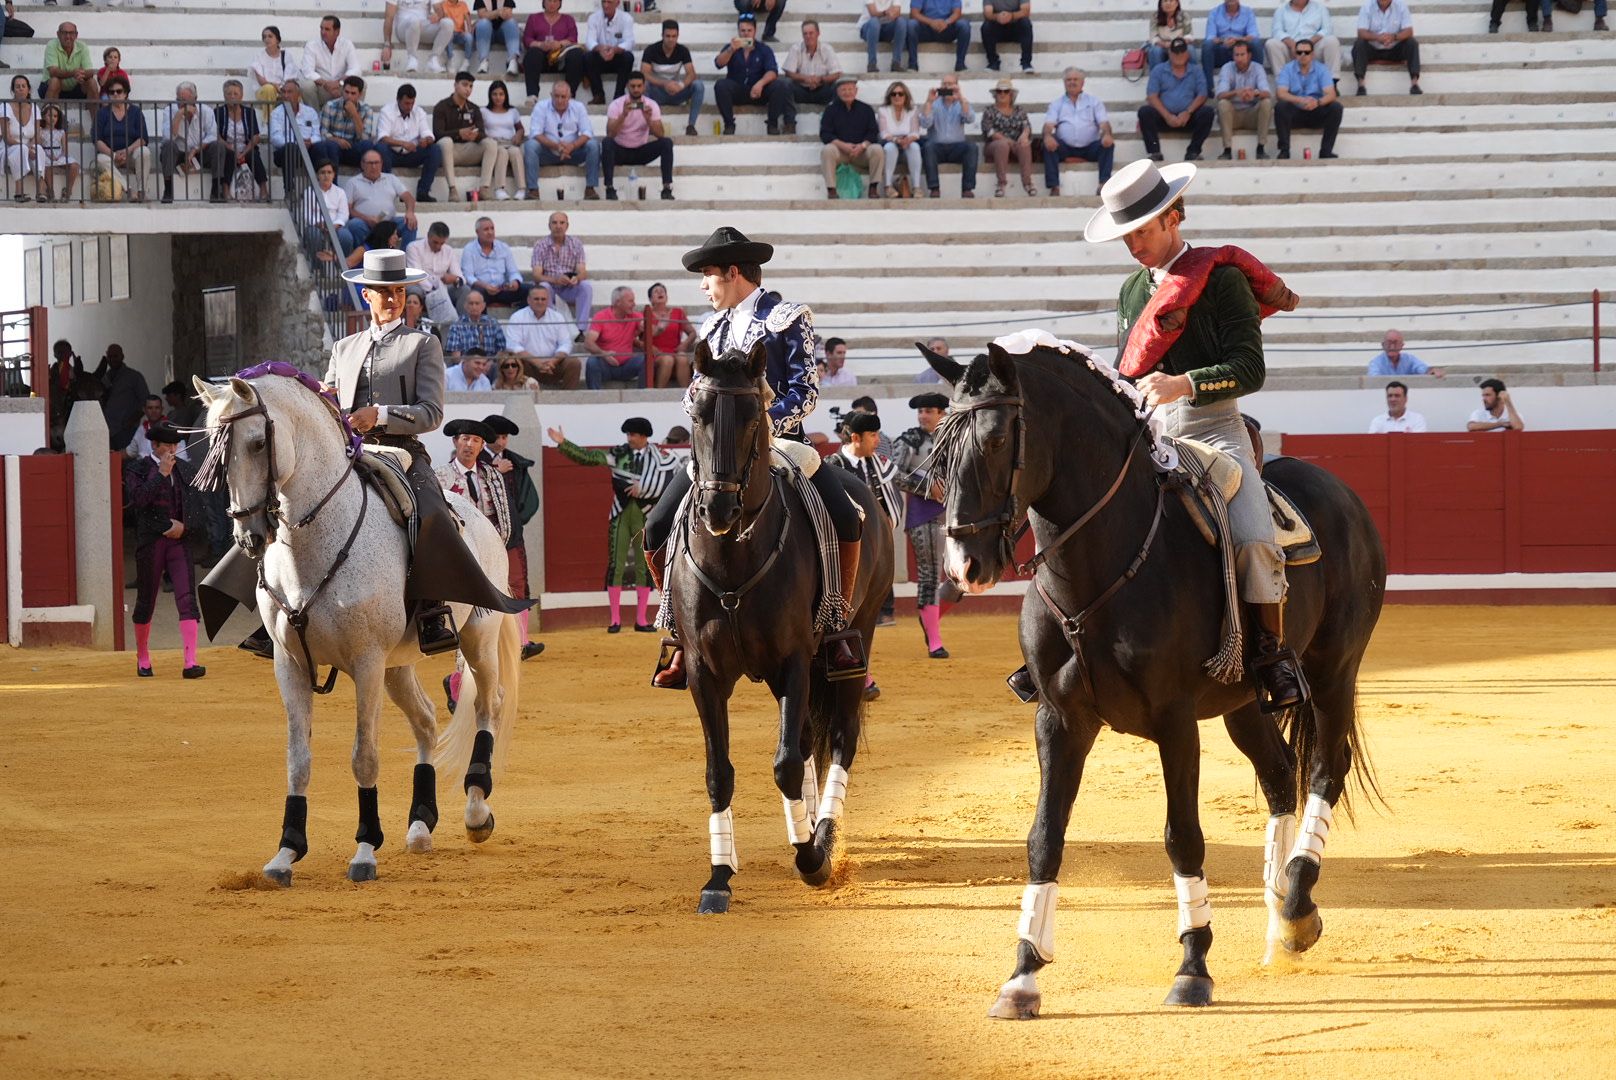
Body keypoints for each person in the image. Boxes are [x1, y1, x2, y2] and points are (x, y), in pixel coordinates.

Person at [200, 248, 529, 660]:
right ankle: (274, 610)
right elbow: (329, 402)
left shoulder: (422, 344)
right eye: (381, 291)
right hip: (347, 453)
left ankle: (432, 609)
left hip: (403, 453)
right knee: (285, 504)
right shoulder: (345, 347)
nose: (391, 299)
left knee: (429, 513)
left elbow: (432, 413)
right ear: (366, 295)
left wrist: (382, 415)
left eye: (397, 291)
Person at [1076, 157, 1305, 711]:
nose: (1134, 245)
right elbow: (1127, 368)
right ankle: (1070, 643)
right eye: (1126, 235)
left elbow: (1250, 369)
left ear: (1174, 217)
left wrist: (1185, 383)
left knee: (1253, 536)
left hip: (1215, 429)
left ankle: (1271, 655)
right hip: (1149, 435)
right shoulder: (1133, 291)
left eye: (1143, 231)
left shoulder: (1223, 280)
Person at [642, 226, 873, 687]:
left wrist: (761, 429)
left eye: (708, 275)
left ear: (732, 273)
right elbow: (693, 394)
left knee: (846, 517)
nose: (702, 286)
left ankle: (836, 629)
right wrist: (703, 411)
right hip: (717, 455)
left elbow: (805, 392)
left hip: (783, 444)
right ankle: (680, 629)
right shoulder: (711, 327)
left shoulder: (787, 317)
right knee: (654, 527)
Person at [549, 417, 680, 631]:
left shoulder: (660, 457)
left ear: (644, 436)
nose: (629, 438)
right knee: (616, 564)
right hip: (620, 513)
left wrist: (644, 487)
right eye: (628, 434)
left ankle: (641, 619)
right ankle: (615, 619)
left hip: (645, 514)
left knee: (643, 565)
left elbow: (666, 479)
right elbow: (590, 458)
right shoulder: (619, 454)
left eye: (633, 435)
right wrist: (564, 443)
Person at [825, 408, 902, 698]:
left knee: (866, 613)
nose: (877, 440)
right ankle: (860, 674)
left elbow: (903, 482)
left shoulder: (878, 464)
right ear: (855, 438)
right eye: (872, 435)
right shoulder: (833, 464)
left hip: (875, 551)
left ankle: (861, 672)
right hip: (847, 550)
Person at [125, 424, 206, 680]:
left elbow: (198, 507)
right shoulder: (136, 469)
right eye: (167, 445)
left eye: (174, 445)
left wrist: (185, 527)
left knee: (186, 597)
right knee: (147, 599)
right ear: (154, 446)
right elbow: (137, 503)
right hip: (151, 542)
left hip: (179, 542)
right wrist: (160, 474)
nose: (172, 450)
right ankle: (143, 658)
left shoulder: (186, 470)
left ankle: (190, 661)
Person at [892, 392, 961, 659]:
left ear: (942, 413)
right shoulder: (909, 439)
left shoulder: (956, 437)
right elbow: (893, 474)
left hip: (956, 514)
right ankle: (934, 638)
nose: (923, 416)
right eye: (921, 411)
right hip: (924, 514)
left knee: (963, 575)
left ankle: (930, 617)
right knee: (930, 574)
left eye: (929, 411)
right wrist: (926, 487)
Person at [479, 414, 545, 660]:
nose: (503, 441)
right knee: (486, 586)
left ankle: (522, 642)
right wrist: (495, 471)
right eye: (499, 436)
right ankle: (489, 642)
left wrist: (516, 521)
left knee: (518, 584)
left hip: (512, 534)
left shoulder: (513, 462)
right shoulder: (479, 459)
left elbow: (527, 499)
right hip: (484, 534)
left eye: (506, 437)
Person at [522, 79, 602, 199]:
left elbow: (587, 132)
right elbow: (536, 133)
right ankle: (533, 190)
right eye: (556, 96)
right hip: (548, 152)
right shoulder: (541, 106)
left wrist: (572, 146)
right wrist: (556, 146)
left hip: (573, 152)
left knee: (594, 145)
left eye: (563, 97)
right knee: (530, 145)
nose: (559, 100)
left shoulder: (578, 107)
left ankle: (590, 189)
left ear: (570, 96)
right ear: (551, 95)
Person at [1041, 67, 1114, 196]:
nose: (1072, 82)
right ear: (1064, 83)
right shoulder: (1057, 104)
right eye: (1068, 79)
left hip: (1090, 147)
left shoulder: (1094, 102)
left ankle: (1104, 184)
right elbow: (1048, 125)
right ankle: (1054, 187)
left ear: (1083, 83)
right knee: (1047, 144)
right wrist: (1047, 136)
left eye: (1075, 79)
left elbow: (1104, 123)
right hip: (1065, 147)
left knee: (1108, 144)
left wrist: (1107, 134)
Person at [1139, 37, 1213, 162]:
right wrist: (1167, 116)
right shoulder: (1159, 70)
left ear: (1187, 53)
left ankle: (1193, 152)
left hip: (1188, 118)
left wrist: (1188, 112)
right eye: (1175, 52)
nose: (1179, 55)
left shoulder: (1196, 70)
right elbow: (1152, 96)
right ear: (1169, 53)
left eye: (1182, 52)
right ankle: (1155, 152)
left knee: (1208, 112)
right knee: (1145, 112)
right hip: (1164, 118)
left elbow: (1202, 94)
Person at [713, 13, 788, 137]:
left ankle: (772, 125)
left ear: (755, 31)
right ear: (738, 31)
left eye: (749, 30)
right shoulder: (730, 48)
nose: (746, 34)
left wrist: (761, 83)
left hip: (759, 91)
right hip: (738, 89)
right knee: (721, 85)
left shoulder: (764, 49)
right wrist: (731, 50)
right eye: (742, 30)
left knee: (780, 85)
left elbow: (772, 71)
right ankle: (729, 124)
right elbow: (718, 63)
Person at [603, 71, 674, 200]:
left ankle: (667, 188)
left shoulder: (651, 105)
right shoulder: (616, 104)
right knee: (607, 143)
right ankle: (609, 188)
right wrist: (623, 115)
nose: (636, 89)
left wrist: (648, 120)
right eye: (633, 86)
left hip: (641, 150)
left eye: (639, 86)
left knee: (666, 143)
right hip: (621, 150)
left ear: (644, 86)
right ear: (627, 86)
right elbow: (610, 134)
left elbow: (660, 135)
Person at [433, 70, 499, 201]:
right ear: (455, 85)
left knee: (490, 143)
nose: (468, 89)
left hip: (469, 150)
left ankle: (484, 188)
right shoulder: (442, 106)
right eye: (464, 85)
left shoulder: (474, 108)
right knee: (445, 142)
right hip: (450, 152)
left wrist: (476, 136)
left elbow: (482, 132)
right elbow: (437, 133)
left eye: (471, 86)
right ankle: (452, 190)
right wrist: (458, 134)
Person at [1274, 37, 1341, 159]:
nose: (1303, 55)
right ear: (1295, 54)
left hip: (1316, 111)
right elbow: (1281, 93)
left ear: (1313, 54)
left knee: (1336, 107)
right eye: (1299, 52)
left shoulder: (1322, 69)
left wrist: (1317, 102)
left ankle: (1326, 151)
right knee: (1281, 106)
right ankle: (1284, 150)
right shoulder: (1288, 68)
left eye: (1307, 52)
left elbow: (1331, 94)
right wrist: (1300, 100)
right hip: (1295, 112)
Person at [156, 81, 222, 203]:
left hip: (199, 152)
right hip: (179, 153)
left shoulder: (206, 111)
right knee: (168, 146)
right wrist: (178, 116)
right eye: (180, 100)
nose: (183, 104)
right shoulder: (170, 110)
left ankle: (216, 190)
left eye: (186, 101)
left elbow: (212, 135)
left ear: (195, 99)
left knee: (217, 146)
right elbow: (167, 137)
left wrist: (195, 150)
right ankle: (168, 190)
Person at [507, 283, 584, 387]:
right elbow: (513, 346)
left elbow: (565, 344)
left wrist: (553, 362)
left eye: (543, 299)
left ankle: (568, 400)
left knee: (574, 363)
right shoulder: (517, 317)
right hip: (528, 365)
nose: (540, 302)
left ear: (548, 300)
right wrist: (537, 362)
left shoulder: (557, 317)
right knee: (514, 361)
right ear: (529, 300)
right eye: (536, 299)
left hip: (553, 365)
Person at [820, 74, 884, 198]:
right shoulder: (831, 110)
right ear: (838, 92)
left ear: (856, 91)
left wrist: (862, 146)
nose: (847, 92)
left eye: (850, 89)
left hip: (861, 152)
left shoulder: (866, 109)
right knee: (827, 150)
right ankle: (831, 190)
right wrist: (842, 145)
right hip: (841, 152)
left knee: (877, 150)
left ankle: (873, 188)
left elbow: (873, 132)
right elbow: (825, 133)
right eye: (843, 90)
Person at [377, 83, 443, 202]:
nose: (410, 107)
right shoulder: (387, 111)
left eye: (412, 103)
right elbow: (383, 137)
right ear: (398, 100)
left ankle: (423, 191)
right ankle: (387, 191)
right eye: (406, 103)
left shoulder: (419, 112)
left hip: (413, 153)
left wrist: (426, 141)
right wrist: (403, 143)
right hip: (392, 154)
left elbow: (429, 134)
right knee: (380, 149)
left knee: (435, 150)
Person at [530, 210, 595, 331]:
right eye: (554, 223)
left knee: (586, 286)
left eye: (562, 223)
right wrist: (555, 280)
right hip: (551, 288)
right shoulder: (541, 245)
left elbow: (583, 272)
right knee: (543, 286)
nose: (558, 226)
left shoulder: (576, 243)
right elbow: (537, 275)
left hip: (569, 287)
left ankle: (581, 329)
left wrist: (576, 278)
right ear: (549, 226)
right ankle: (551, 327)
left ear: (567, 226)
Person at [641, 19, 704, 137]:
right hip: (657, 93)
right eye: (668, 36)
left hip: (676, 92)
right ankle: (649, 126)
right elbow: (644, 74)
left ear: (678, 36)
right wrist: (665, 83)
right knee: (644, 85)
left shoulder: (683, 51)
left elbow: (691, 74)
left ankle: (691, 126)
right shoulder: (651, 50)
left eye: (674, 36)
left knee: (698, 85)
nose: (671, 39)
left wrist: (680, 85)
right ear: (662, 35)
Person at [919, 71, 977, 198]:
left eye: (950, 84)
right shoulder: (934, 103)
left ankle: (967, 189)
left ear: (956, 86)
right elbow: (925, 124)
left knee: (972, 147)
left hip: (957, 147)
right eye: (944, 84)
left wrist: (961, 99)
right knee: (928, 147)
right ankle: (934, 188)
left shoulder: (962, 103)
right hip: (937, 147)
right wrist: (928, 102)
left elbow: (970, 119)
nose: (946, 87)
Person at [91, 74, 147, 200]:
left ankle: (141, 191)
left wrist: (128, 150)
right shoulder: (102, 113)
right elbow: (97, 139)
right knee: (100, 159)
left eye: (119, 91)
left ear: (126, 93)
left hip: (131, 154)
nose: (115, 94)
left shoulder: (136, 112)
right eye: (111, 92)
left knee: (145, 152)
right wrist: (114, 155)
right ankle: (129, 190)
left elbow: (143, 138)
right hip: (111, 156)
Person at [1214, 40, 1272, 159]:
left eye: (1242, 55)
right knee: (1223, 104)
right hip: (1233, 115)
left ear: (1249, 55)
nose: (1239, 58)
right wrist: (1237, 92)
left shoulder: (1258, 68)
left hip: (1252, 115)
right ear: (1233, 56)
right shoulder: (1227, 68)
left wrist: (1254, 94)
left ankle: (1261, 148)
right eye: (1237, 55)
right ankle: (1227, 150)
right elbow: (1220, 94)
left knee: (1266, 103)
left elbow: (1267, 93)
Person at [781, 19, 842, 132]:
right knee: (785, 84)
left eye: (811, 33)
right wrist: (806, 78)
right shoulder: (796, 48)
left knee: (838, 86)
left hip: (822, 89)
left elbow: (837, 73)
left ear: (818, 34)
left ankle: (835, 124)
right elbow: (788, 72)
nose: (808, 36)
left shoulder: (827, 49)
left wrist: (820, 79)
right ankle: (789, 123)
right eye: (805, 34)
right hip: (802, 90)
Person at [215, 79, 270, 201]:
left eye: (236, 93)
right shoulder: (218, 112)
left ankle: (263, 189)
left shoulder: (249, 112)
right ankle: (225, 189)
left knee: (253, 154)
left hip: (246, 148)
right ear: (224, 96)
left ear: (241, 95)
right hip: (228, 148)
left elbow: (256, 137)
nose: (232, 96)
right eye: (229, 94)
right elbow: (216, 136)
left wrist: (243, 153)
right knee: (228, 155)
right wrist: (231, 148)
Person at [521, 0, 586, 101]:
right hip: (541, 59)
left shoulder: (568, 19)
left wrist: (559, 44)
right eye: (549, 1)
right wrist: (540, 44)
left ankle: (570, 95)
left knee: (576, 54)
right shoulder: (534, 18)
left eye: (555, 1)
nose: (552, 4)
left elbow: (573, 39)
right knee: (532, 54)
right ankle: (532, 95)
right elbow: (527, 39)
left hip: (561, 58)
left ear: (560, 3)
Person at [584, 285, 646, 389]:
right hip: (605, 366)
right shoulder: (601, 316)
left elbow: (648, 327)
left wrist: (646, 327)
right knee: (592, 362)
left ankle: (644, 397)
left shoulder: (635, 316)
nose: (634, 304)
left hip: (627, 365)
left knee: (646, 361)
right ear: (618, 302)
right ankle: (595, 399)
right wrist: (604, 354)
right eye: (630, 301)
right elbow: (588, 343)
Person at [1352, 0, 1419, 95]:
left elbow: (1409, 31)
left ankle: (1414, 84)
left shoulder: (1401, 6)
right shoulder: (1367, 6)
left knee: (1412, 43)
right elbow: (1361, 32)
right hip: (1373, 49)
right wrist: (1377, 37)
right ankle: (1361, 84)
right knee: (1359, 44)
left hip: (1394, 49)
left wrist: (1394, 37)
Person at [981, 76, 1033, 197]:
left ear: (1011, 95)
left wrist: (1024, 136)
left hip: (1015, 144)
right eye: (999, 91)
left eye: (1006, 91)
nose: (1002, 94)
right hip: (994, 145)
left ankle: (1028, 183)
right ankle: (1001, 184)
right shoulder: (989, 111)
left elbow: (1026, 125)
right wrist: (1008, 141)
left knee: (1024, 145)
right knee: (1002, 145)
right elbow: (990, 132)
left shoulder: (1019, 110)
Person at [406, 220, 467, 324]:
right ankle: (412, 328)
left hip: (443, 290)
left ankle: (463, 326)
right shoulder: (414, 247)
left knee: (465, 290)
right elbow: (417, 275)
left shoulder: (449, 251)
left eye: (442, 243)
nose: (438, 247)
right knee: (414, 293)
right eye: (435, 242)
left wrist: (455, 279)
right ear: (428, 236)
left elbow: (461, 277)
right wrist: (435, 292)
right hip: (421, 288)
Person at [461, 214, 527, 306]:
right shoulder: (469, 249)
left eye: (492, 228)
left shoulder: (503, 247)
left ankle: (520, 318)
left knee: (530, 291)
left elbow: (513, 271)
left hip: (502, 289)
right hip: (482, 290)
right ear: (477, 232)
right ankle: (482, 320)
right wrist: (485, 286)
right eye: (486, 229)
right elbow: (468, 276)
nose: (490, 232)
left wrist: (515, 282)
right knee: (475, 295)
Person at [1267, 0, 1341, 81]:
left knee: (1331, 40)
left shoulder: (1320, 8)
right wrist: (1292, 45)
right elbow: (1276, 31)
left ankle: (1332, 82)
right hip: (1291, 50)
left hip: (1313, 48)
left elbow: (1327, 29)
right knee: (1271, 43)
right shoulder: (1281, 10)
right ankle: (1282, 83)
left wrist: (1309, 43)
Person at [318, 74, 380, 170]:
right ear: (342, 91)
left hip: (353, 148)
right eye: (346, 92)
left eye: (353, 93)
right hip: (334, 147)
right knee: (330, 146)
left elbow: (364, 137)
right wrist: (337, 141)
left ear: (360, 95)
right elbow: (322, 133)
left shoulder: (366, 109)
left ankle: (365, 182)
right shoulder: (330, 106)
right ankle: (333, 184)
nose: (349, 96)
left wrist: (355, 114)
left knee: (367, 145)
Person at [95, 342, 149, 451]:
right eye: (110, 357)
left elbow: (145, 401)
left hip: (126, 432)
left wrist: (130, 422)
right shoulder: (104, 379)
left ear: (122, 356)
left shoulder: (134, 377)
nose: (113, 359)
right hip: (106, 432)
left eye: (116, 356)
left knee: (127, 463)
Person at [481, 78, 528, 198]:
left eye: (501, 94)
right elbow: (480, 131)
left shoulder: (512, 111)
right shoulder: (484, 111)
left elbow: (520, 128)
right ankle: (499, 189)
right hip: (495, 144)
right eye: (495, 94)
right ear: (490, 95)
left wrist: (518, 135)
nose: (498, 97)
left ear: (505, 95)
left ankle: (521, 189)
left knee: (516, 152)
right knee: (502, 153)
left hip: (510, 142)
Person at [584, 0, 636, 106]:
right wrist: (600, 48)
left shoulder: (626, 18)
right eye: (604, 2)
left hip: (617, 57)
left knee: (628, 57)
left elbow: (629, 42)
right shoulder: (594, 18)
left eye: (609, 2)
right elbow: (590, 41)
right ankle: (598, 95)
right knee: (587, 57)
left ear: (617, 3)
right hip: (600, 56)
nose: (605, 5)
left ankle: (619, 95)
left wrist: (615, 50)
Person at [644, 281, 695, 388]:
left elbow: (692, 332)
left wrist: (685, 344)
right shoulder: (645, 313)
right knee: (667, 359)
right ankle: (659, 393)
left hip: (675, 350)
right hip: (656, 353)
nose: (660, 293)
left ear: (667, 297)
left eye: (662, 291)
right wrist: (651, 347)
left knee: (682, 358)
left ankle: (686, 395)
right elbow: (638, 338)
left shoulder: (678, 312)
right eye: (656, 292)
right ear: (650, 299)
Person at [302, 15, 361, 107]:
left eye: (327, 29)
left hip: (341, 87)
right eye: (321, 28)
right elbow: (307, 71)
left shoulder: (347, 44)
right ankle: (314, 118)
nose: (323, 32)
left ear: (337, 32)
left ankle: (352, 115)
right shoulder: (311, 45)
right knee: (306, 86)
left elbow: (355, 68)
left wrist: (339, 83)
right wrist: (326, 84)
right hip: (321, 88)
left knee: (362, 84)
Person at [877, 80, 922, 198]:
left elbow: (915, 132)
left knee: (915, 147)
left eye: (900, 94)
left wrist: (908, 140)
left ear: (906, 96)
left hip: (908, 142)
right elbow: (884, 133)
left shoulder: (913, 110)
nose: (897, 96)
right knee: (890, 148)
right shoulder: (883, 110)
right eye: (893, 94)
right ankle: (887, 186)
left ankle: (916, 187)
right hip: (890, 141)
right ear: (889, 96)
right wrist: (896, 140)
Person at [383, 0, 453, 76]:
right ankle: (412, 58)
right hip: (404, 27)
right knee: (414, 21)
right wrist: (387, 44)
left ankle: (433, 59)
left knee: (448, 23)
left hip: (423, 24)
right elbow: (389, 17)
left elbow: (440, 11)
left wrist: (437, 16)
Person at [269, 78, 324, 172]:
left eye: (290, 92)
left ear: (298, 95)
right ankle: (289, 186)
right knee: (290, 149)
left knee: (320, 148)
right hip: (285, 152)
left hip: (307, 150)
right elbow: (275, 138)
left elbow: (317, 135)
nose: (286, 95)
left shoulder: (310, 112)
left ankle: (320, 184)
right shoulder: (276, 113)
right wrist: (297, 143)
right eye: (284, 92)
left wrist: (310, 141)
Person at [250, 26, 302, 121]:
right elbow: (261, 80)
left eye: (270, 36)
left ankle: (296, 122)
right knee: (269, 89)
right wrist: (274, 85)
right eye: (264, 37)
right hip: (264, 90)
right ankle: (269, 122)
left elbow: (289, 78)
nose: (267, 39)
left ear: (277, 39)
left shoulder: (286, 55)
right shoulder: (259, 56)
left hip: (283, 89)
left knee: (295, 90)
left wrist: (282, 89)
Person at [1202, 0, 1262, 81]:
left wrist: (1237, 40)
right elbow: (1210, 37)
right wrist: (1223, 41)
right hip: (1222, 50)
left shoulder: (1248, 12)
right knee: (1207, 45)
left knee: (1256, 43)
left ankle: (1259, 83)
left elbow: (1253, 34)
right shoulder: (1214, 12)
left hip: (1241, 50)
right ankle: (1209, 89)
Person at [41, 21, 98, 103]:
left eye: (71, 33)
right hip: (50, 87)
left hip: (74, 88)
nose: (68, 36)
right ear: (58, 34)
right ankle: (49, 113)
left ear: (76, 35)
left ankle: (96, 116)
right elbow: (53, 72)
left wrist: (81, 74)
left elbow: (90, 72)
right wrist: (73, 73)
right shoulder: (51, 45)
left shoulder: (82, 46)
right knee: (55, 81)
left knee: (92, 82)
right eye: (64, 33)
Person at [3, 72, 39, 200]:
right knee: (21, 149)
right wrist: (25, 147)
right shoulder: (5, 107)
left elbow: (37, 135)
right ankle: (19, 192)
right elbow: (7, 137)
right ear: (13, 90)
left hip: (28, 145)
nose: (21, 89)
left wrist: (32, 146)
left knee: (39, 150)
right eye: (17, 86)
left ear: (28, 89)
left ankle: (42, 191)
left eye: (24, 86)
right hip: (9, 146)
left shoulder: (34, 107)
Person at [445, 288, 507, 361]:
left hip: (490, 365)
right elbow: (456, 357)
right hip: (466, 366)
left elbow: (502, 349)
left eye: (477, 303)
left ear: (483, 306)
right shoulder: (456, 325)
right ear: (465, 306)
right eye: (471, 303)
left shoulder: (493, 323)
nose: (474, 307)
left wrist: (489, 364)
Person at [911, 0, 971, 72]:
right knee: (911, 24)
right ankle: (912, 65)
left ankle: (960, 64)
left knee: (964, 25)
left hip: (946, 29)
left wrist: (946, 22)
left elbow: (957, 13)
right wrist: (931, 22)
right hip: (926, 28)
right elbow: (914, 14)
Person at [859, 1, 916, 74]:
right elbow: (873, 13)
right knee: (874, 22)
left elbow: (897, 12)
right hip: (868, 30)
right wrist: (886, 12)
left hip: (886, 29)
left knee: (901, 22)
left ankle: (896, 63)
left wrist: (893, 14)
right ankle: (872, 64)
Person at [473, 0, 524, 77]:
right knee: (483, 23)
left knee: (511, 23)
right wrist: (498, 12)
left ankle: (513, 61)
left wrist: (489, 14)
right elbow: (482, 15)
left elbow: (508, 14)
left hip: (503, 33)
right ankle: (483, 61)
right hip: (487, 34)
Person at [982, 0, 1033, 73]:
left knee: (1026, 23)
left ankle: (1026, 63)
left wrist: (1011, 16)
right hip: (998, 28)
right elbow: (987, 13)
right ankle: (993, 63)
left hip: (1016, 28)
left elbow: (1026, 11)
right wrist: (998, 17)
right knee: (986, 26)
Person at [1366, 329, 1441, 376]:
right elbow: (1374, 380)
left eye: (1395, 343)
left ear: (1402, 346)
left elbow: (1424, 370)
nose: (1392, 347)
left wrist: (1432, 371)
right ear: (1383, 345)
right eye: (1389, 343)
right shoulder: (1375, 363)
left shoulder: (1409, 359)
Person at [1146, 0, 1194, 68]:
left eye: (1171, 1)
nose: (1168, 3)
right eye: (1165, 1)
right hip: (1163, 46)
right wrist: (1165, 44)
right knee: (1155, 50)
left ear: (1177, 3)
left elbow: (1189, 36)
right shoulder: (1155, 16)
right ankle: (1156, 77)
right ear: (1161, 4)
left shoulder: (1184, 15)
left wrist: (1177, 43)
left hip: (1180, 45)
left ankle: (1193, 76)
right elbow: (1154, 38)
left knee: (1190, 49)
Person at [440, 0, 476, 71]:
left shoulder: (463, 4)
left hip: (460, 33)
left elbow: (468, 18)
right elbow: (444, 18)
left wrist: (468, 31)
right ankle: (450, 60)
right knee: (448, 35)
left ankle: (466, 61)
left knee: (469, 37)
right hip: (450, 32)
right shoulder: (444, 4)